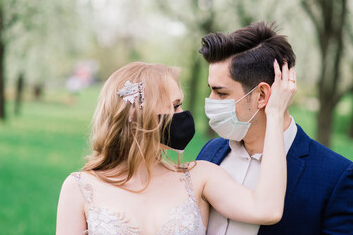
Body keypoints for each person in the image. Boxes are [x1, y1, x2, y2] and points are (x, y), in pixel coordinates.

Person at [56, 61, 295, 235]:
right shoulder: (79, 188)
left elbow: (268, 209)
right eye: (175, 105)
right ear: (138, 114)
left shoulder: (200, 176)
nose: (183, 115)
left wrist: (274, 114)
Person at [196, 21, 353, 235]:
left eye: (221, 93)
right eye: (211, 91)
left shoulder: (335, 176)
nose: (210, 101)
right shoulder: (210, 152)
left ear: (262, 95)